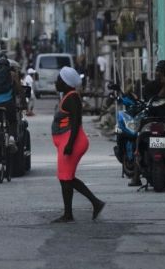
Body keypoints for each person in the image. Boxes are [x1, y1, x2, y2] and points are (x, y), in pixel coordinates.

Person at [51, 67, 105, 223]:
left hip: (72, 141)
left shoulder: (72, 98)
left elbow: (76, 122)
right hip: (68, 140)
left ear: (66, 83)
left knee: (65, 177)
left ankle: (69, 214)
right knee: (66, 178)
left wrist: (69, 144)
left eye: (59, 79)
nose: (56, 82)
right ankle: (95, 203)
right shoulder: (68, 96)